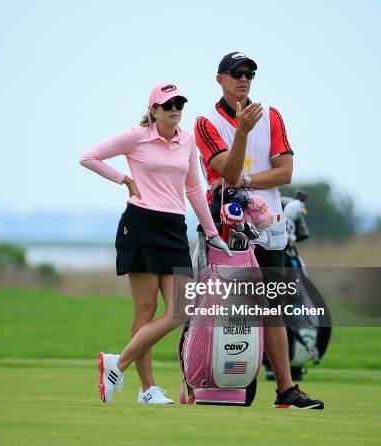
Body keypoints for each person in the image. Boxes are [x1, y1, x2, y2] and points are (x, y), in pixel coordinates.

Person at [79, 82, 229, 404]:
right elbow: (89, 157)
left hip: (174, 228)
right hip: (142, 225)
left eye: (179, 104)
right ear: (154, 109)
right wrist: (124, 179)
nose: (175, 110)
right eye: (168, 105)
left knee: (181, 309)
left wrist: (213, 232)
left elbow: (193, 190)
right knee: (145, 310)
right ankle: (147, 390)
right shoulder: (136, 136)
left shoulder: (187, 141)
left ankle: (116, 363)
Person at [194, 51, 325, 409]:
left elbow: (285, 172)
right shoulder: (206, 122)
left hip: (270, 229)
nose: (244, 79)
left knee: (272, 308)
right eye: (236, 73)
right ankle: (209, 380)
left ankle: (286, 391)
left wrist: (248, 179)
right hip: (227, 230)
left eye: (250, 73)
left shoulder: (272, 116)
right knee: (220, 307)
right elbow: (227, 173)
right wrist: (241, 134)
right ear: (220, 79)